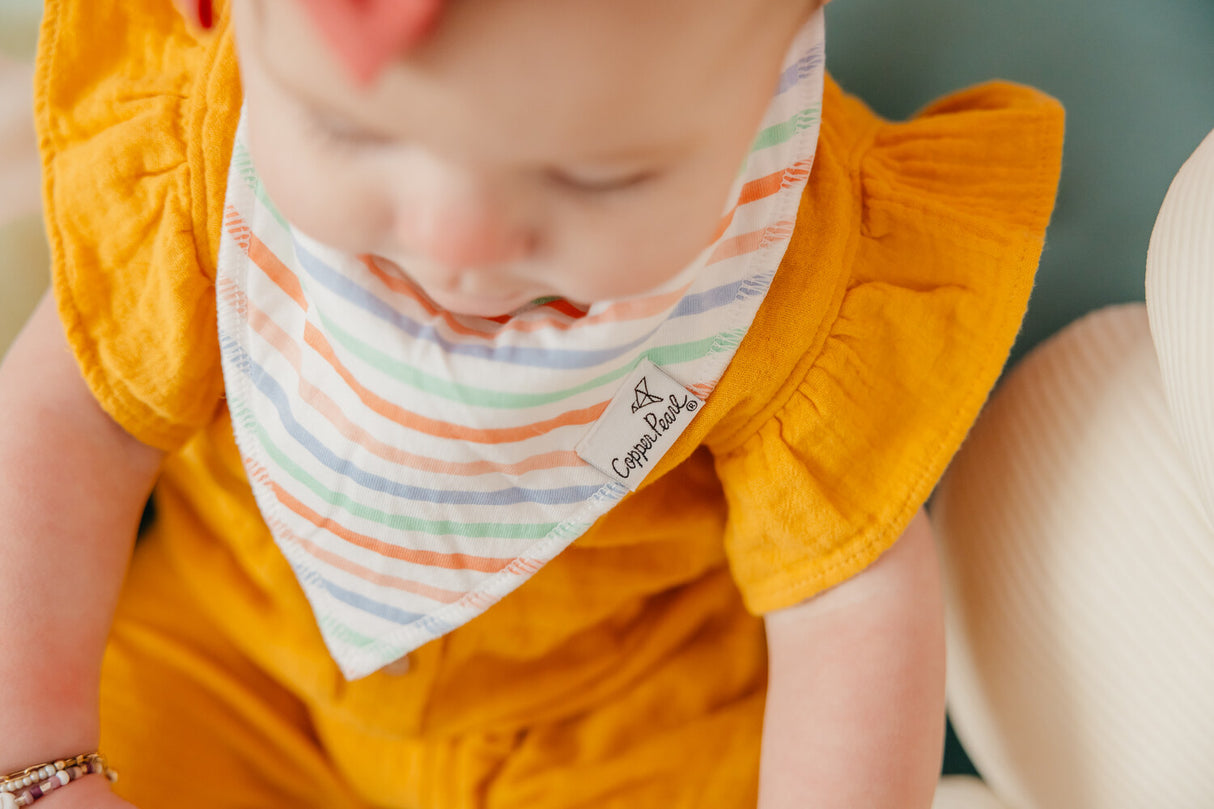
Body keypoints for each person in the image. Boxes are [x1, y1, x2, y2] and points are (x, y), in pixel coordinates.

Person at [0, 0, 1064, 807]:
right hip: (232, 666)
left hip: (618, 730)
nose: (457, 246)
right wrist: (40, 755)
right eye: (349, 132)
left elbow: (848, 602)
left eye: (598, 178)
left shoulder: (801, 264)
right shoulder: (197, 153)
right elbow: (69, 420)